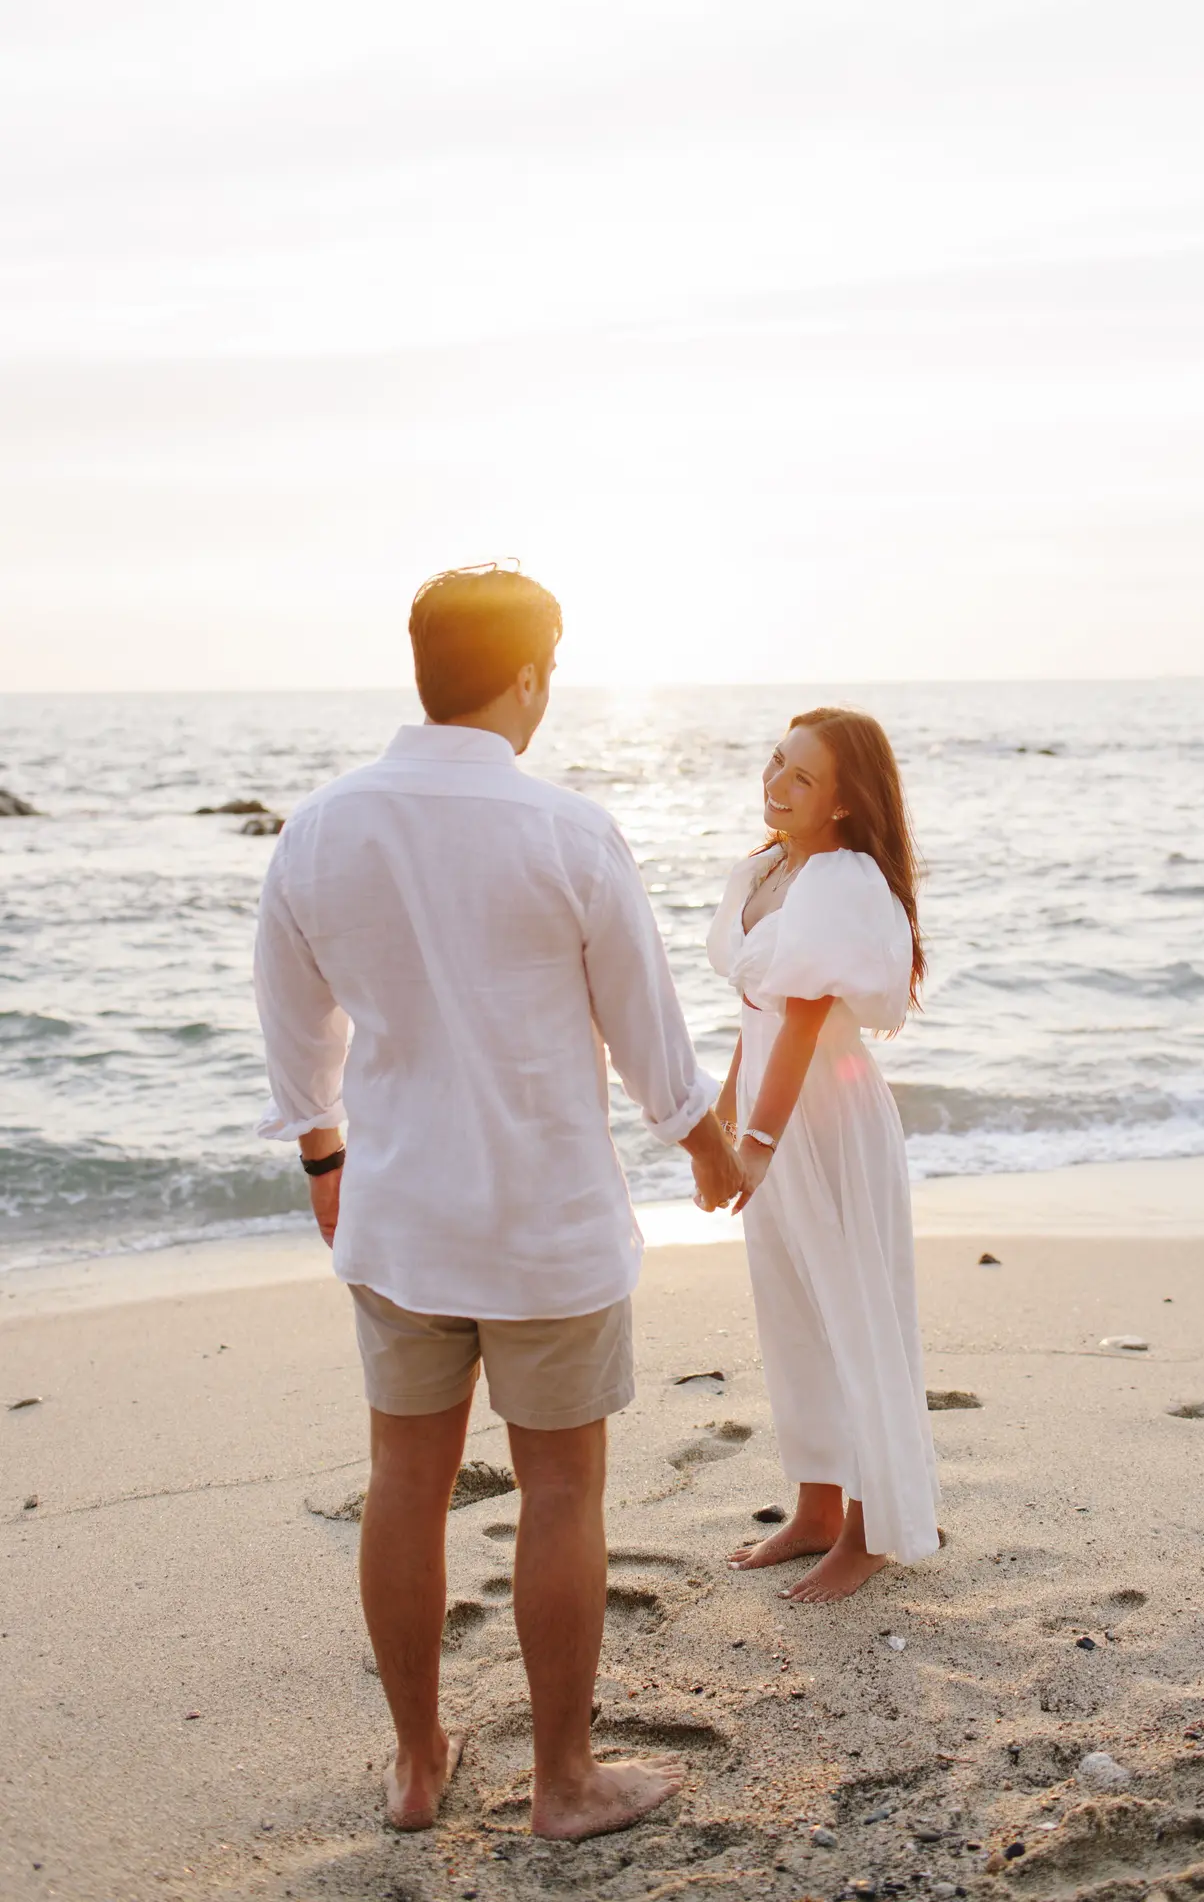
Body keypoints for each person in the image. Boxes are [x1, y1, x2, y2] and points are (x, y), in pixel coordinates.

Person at [254, 565, 741, 1838]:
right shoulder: (567, 831)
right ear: (527, 677)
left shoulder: (320, 829)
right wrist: (705, 1141)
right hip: (546, 1223)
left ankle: (418, 1766)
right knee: (562, 1488)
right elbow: (645, 1029)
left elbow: (293, 1027)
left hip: (402, 1214)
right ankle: (563, 1781)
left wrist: (324, 1158)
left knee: (403, 1480)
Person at [705, 707, 940, 1602]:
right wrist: (721, 1117)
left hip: (826, 1121)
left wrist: (756, 1142)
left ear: (844, 804)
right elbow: (757, 1009)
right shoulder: (768, 867)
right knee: (792, 1313)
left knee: (854, 1317)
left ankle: (872, 1528)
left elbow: (804, 1012)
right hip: (773, 1108)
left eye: (802, 778)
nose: (776, 784)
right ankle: (813, 1508)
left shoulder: (840, 878)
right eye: (776, 762)